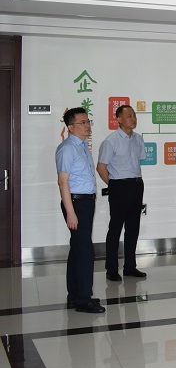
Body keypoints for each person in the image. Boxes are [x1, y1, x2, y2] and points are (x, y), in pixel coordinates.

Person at [56, 107, 104, 313]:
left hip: (85, 202)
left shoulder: (82, 146)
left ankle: (75, 295)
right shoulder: (67, 148)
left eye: (88, 121)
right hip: (76, 203)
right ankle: (84, 299)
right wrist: (71, 212)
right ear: (70, 127)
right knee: (85, 251)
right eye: (82, 123)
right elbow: (62, 182)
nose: (87, 126)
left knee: (77, 249)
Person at [97, 105, 147, 281]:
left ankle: (130, 267)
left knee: (133, 228)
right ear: (118, 119)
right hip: (119, 186)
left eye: (134, 116)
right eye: (129, 116)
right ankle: (111, 269)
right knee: (115, 228)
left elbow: (140, 160)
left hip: (136, 185)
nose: (133, 119)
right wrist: (113, 185)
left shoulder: (138, 139)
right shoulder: (111, 141)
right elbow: (101, 167)